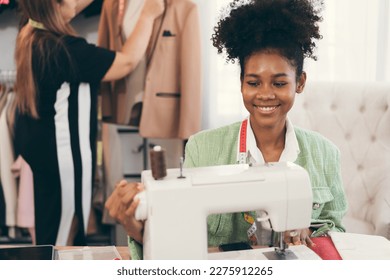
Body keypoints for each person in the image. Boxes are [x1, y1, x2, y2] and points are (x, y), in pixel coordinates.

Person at [105, 0, 348, 259]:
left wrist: (307, 231)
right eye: (253, 82)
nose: (265, 94)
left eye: (279, 83)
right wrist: (136, 226)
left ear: (299, 82)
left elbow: (336, 232)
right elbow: (177, 232)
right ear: (241, 83)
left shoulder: (325, 154)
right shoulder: (203, 148)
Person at [13, 0, 164, 246]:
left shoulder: (31, 29)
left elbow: (71, 6)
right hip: (64, 155)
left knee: (51, 221)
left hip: (43, 147)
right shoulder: (66, 49)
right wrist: (148, 15)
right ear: (54, 6)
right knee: (65, 229)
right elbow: (126, 62)